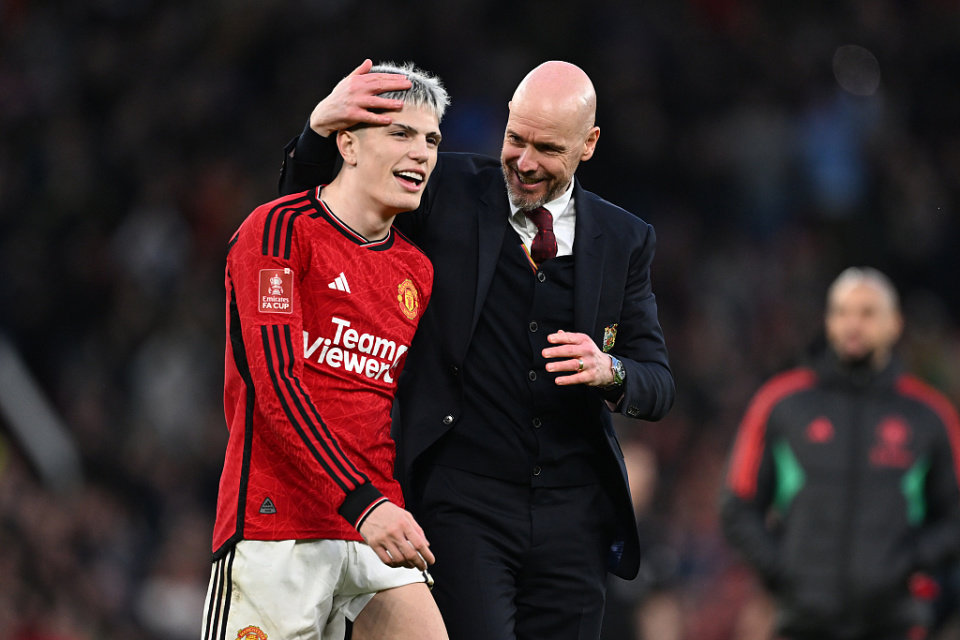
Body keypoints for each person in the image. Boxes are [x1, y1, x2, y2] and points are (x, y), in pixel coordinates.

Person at [277, 59, 675, 640]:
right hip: (463, 501)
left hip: (574, 513)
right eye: (516, 139)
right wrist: (319, 132)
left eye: (548, 148)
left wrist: (609, 369)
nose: (525, 161)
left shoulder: (624, 238)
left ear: (588, 145)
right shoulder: (448, 188)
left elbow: (657, 383)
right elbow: (316, 214)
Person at [202, 62, 450, 640]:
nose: (420, 153)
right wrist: (362, 502)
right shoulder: (276, 231)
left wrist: (372, 506)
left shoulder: (416, 270)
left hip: (372, 528)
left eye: (431, 139)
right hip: (277, 524)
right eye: (401, 133)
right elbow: (276, 386)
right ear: (348, 144)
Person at [720, 267, 960, 640]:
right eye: (842, 312)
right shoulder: (782, 404)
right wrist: (784, 570)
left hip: (894, 622)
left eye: (867, 313)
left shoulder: (928, 415)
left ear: (895, 324)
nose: (853, 324)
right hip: (804, 622)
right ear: (829, 321)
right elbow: (738, 505)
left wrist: (909, 563)